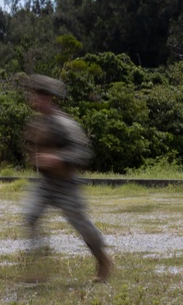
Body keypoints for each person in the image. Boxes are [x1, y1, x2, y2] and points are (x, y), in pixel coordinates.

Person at [21, 74, 114, 282]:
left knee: (81, 225)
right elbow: (33, 154)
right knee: (30, 216)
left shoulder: (64, 124)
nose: (33, 100)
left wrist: (56, 158)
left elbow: (82, 154)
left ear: (47, 98)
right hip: (46, 183)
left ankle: (103, 260)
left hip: (66, 184)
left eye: (37, 96)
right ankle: (38, 269)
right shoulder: (36, 124)